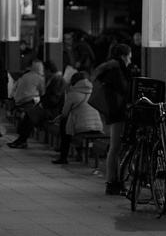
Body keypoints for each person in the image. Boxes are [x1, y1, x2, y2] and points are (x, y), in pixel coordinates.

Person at [93, 42, 133, 195]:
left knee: (116, 147)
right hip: (118, 112)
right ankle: (113, 182)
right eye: (129, 57)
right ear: (123, 56)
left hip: (113, 111)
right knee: (116, 147)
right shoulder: (117, 69)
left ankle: (114, 181)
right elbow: (124, 89)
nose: (130, 61)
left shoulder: (112, 67)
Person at [51, 72, 104, 166]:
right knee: (74, 123)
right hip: (97, 126)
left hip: (81, 126)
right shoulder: (93, 92)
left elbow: (65, 113)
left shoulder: (72, 93)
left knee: (65, 124)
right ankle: (79, 154)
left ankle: (63, 156)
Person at [7, 60, 45, 149]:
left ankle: (21, 139)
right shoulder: (39, 78)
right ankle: (22, 140)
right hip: (27, 103)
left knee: (29, 115)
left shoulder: (25, 76)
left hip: (18, 103)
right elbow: (43, 93)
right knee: (31, 114)